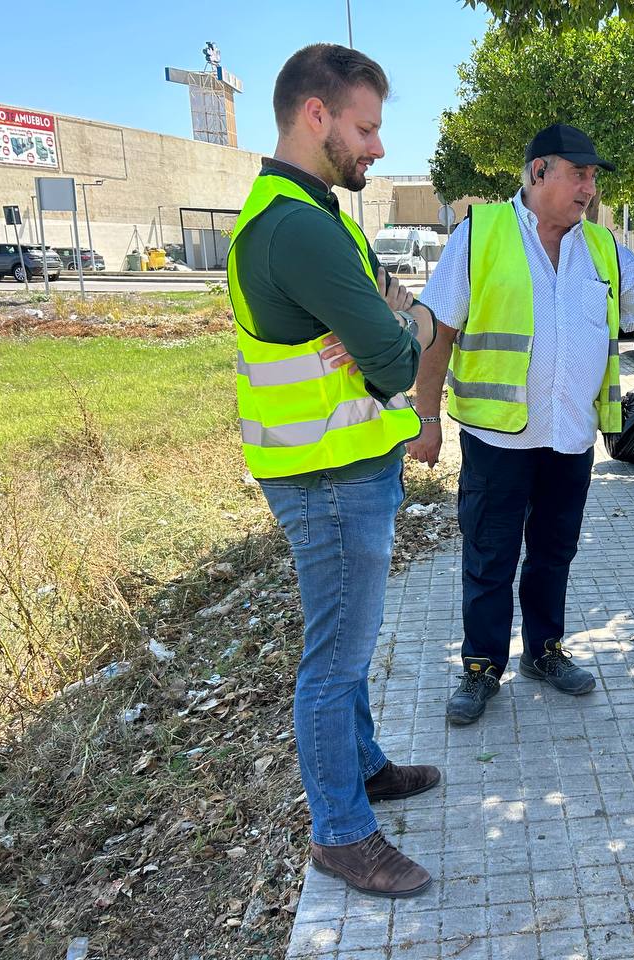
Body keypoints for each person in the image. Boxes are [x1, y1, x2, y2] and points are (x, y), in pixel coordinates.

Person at [410, 123, 634, 725]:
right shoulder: (479, 235)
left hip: (569, 437)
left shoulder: (603, 247)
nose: (590, 187)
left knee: (554, 552)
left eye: (593, 176)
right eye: (579, 173)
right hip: (497, 436)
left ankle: (545, 651)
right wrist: (425, 416)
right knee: (490, 554)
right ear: (539, 172)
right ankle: (482, 665)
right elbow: (437, 332)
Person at [227, 43, 441, 898]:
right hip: (326, 478)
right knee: (335, 660)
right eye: (366, 127)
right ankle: (343, 834)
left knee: (347, 647)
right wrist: (404, 338)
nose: (378, 147)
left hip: (344, 464)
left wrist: (392, 328)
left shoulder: (315, 213)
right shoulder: (297, 227)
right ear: (314, 115)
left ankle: (365, 767)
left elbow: (391, 309)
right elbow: (395, 356)